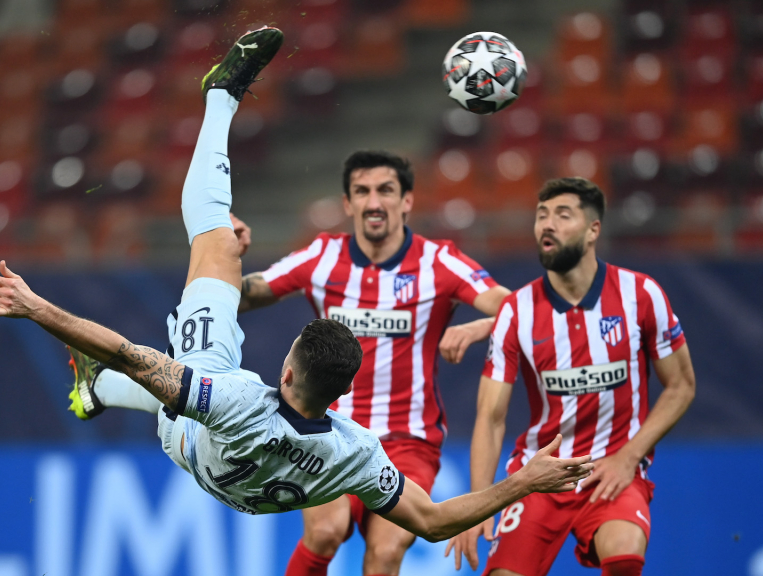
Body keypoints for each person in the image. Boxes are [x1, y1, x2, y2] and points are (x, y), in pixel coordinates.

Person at [0, 27, 593, 546]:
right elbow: (432, 523)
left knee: (209, 245)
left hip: (199, 432)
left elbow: (131, 353)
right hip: (235, 483)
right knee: (149, 370)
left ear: (288, 374)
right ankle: (97, 393)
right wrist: (524, 482)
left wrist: (37, 307)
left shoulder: (238, 400)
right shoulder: (356, 451)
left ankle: (220, 96)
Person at [79, 136, 511, 576]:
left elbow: (520, 310)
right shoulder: (324, 256)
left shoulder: (439, 262)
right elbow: (247, 295)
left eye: (386, 190)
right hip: (330, 434)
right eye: (362, 191)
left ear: (407, 201)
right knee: (324, 533)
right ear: (347, 202)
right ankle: (107, 386)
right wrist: (229, 258)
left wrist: (478, 326)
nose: (374, 201)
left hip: (409, 437)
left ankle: (107, 386)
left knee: (385, 555)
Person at [444, 177, 696, 576]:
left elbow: (682, 385)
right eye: (541, 215)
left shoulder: (642, 294)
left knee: (626, 553)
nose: (548, 224)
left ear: (593, 229)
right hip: (539, 473)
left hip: (611, 469)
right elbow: (490, 417)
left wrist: (628, 457)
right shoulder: (517, 311)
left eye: (563, 215)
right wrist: (479, 504)